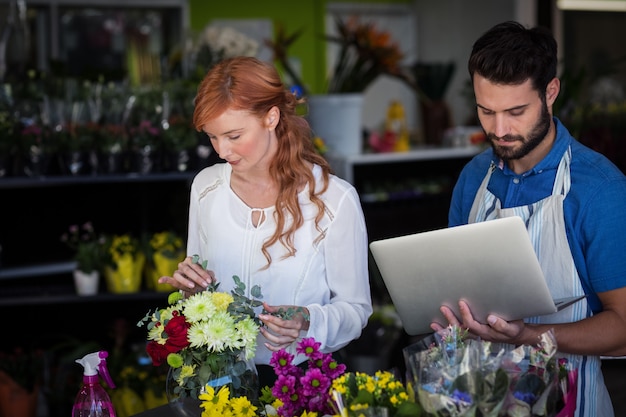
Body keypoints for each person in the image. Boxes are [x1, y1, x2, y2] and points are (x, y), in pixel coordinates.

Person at [431, 21, 626, 417]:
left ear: (550, 93)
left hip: (572, 404)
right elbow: (451, 289)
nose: (499, 130)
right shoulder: (473, 178)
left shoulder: (599, 189)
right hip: (480, 400)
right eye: (486, 111)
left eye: (516, 111)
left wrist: (530, 335)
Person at [158, 56, 373, 384]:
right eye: (212, 137)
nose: (221, 151)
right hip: (218, 378)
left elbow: (355, 311)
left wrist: (306, 320)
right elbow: (200, 292)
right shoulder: (207, 188)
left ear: (271, 117)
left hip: (300, 382)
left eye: (233, 135)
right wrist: (191, 291)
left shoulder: (334, 199)